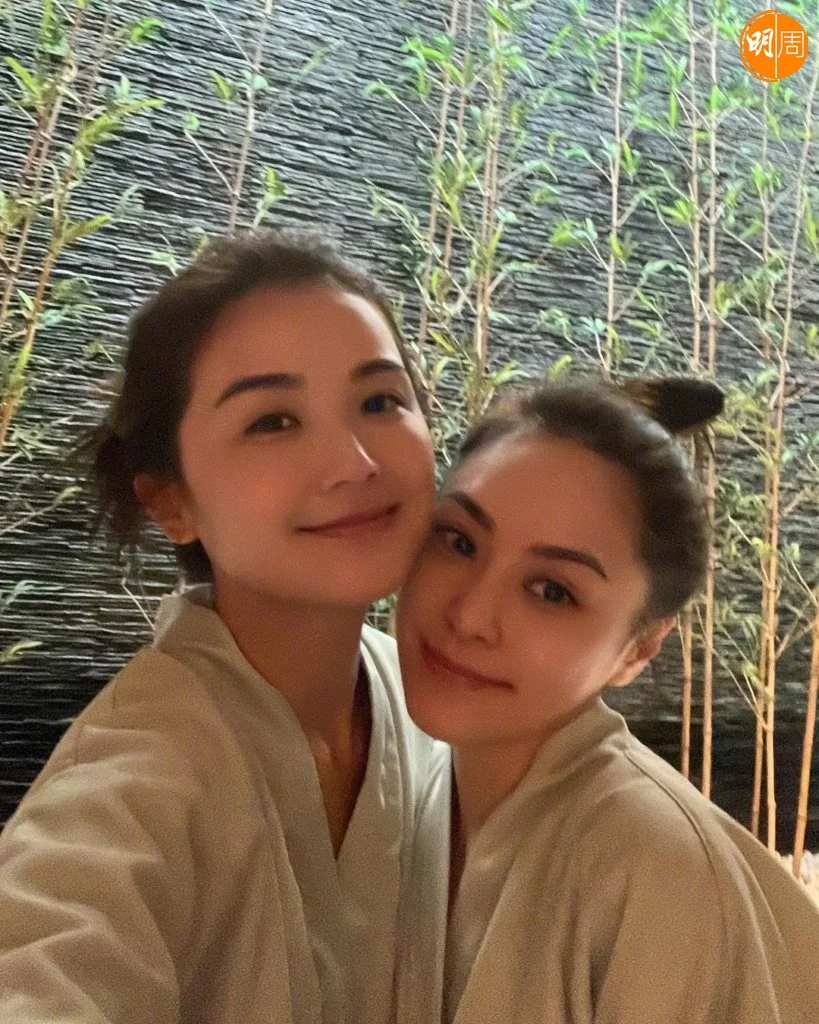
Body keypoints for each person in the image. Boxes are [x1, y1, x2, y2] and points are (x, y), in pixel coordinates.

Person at [0, 228, 437, 1024]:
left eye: (380, 402)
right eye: (273, 421)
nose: (355, 463)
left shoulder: (435, 708)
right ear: (171, 502)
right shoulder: (129, 784)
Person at [394, 375, 819, 1024]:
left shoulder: (654, 870)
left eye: (551, 591)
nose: (470, 614)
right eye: (458, 542)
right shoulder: (421, 786)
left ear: (638, 648)